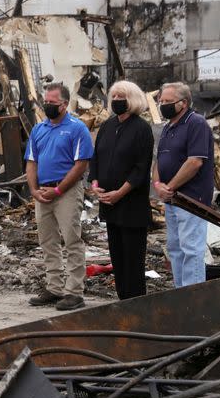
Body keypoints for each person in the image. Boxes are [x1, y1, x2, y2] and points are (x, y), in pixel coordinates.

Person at [25, 82, 94, 311]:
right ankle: (54, 286)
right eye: (45, 101)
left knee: (72, 240)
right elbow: (31, 162)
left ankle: (74, 291)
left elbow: (80, 164)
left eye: (52, 103)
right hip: (43, 192)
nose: (47, 105)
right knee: (48, 241)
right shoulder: (39, 129)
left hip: (65, 192)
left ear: (64, 104)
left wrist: (59, 190)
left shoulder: (77, 128)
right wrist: (34, 190)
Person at [89, 81, 154, 300]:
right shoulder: (107, 126)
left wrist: (120, 193)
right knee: (117, 257)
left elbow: (140, 169)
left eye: (121, 96)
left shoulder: (141, 129)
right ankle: (122, 299)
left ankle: (135, 302)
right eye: (114, 96)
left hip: (131, 205)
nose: (116, 100)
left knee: (133, 258)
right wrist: (95, 185)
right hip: (109, 204)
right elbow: (96, 158)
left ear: (132, 99)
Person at [153, 82, 215, 287]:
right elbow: (159, 160)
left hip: (191, 199)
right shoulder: (168, 127)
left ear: (184, 103)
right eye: (161, 101)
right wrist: (157, 184)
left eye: (168, 101)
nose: (162, 105)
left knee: (191, 249)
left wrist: (169, 187)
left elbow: (195, 162)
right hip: (172, 199)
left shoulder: (196, 123)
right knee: (175, 249)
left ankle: (193, 297)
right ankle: (180, 293)